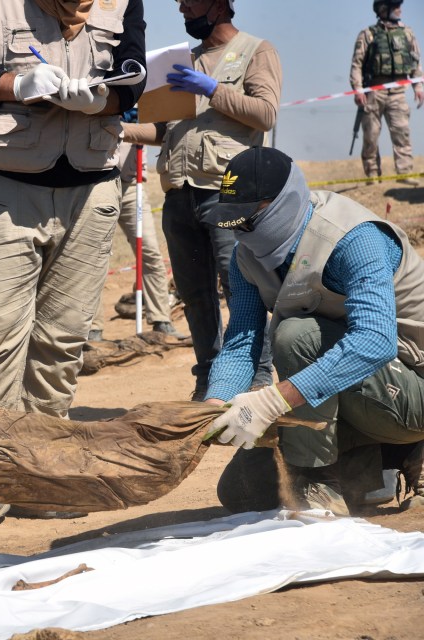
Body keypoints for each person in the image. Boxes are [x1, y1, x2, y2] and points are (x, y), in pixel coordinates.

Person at [0, 0, 146, 538]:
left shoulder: (122, 3)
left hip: (91, 194)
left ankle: (40, 477)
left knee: (61, 342)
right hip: (5, 190)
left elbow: (134, 77)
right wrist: (14, 84)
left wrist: (104, 97)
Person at [203, 146, 424, 516]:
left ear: (281, 204)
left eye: (245, 218)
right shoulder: (248, 259)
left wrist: (275, 399)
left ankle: (320, 481)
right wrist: (214, 407)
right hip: (350, 392)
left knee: (295, 334)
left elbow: (375, 341)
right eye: (230, 219)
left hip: (411, 389)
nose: (236, 230)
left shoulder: (354, 238)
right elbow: (242, 341)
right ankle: (374, 463)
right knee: (242, 493)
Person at [122, 0, 280, 401]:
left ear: (219, 5)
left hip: (227, 193)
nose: (182, 9)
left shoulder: (256, 51)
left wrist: (212, 88)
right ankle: (210, 382)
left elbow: (265, 113)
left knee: (240, 289)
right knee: (195, 296)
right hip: (179, 194)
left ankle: (256, 381)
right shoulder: (182, 61)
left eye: (190, 2)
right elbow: (165, 130)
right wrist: (120, 131)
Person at [89, 119, 187, 342]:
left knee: (150, 252)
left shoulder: (146, 92)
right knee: (94, 256)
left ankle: (162, 320)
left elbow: (162, 129)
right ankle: (92, 329)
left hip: (133, 184)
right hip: (96, 179)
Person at [350, 0, 424, 186]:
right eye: (395, 6)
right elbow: (357, 64)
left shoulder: (407, 33)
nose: (399, 9)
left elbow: (415, 62)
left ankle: (404, 173)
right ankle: (373, 176)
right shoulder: (368, 34)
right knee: (371, 136)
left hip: (399, 91)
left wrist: (418, 86)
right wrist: (358, 89)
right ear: (384, 9)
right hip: (373, 92)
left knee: (402, 133)